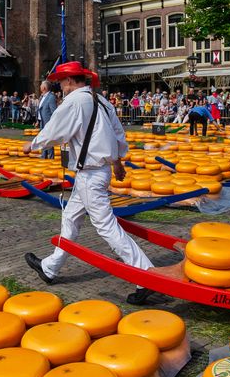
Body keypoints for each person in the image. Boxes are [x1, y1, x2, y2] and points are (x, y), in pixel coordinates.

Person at [22, 61, 156, 305]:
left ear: (71, 80)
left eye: (62, 81)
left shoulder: (75, 101)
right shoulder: (102, 101)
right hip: (97, 170)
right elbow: (118, 135)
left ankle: (146, 276)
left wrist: (33, 145)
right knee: (70, 217)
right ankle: (50, 267)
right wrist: (117, 162)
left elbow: (55, 130)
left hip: (90, 174)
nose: (60, 86)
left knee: (106, 225)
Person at [37, 81, 57, 159]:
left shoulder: (51, 97)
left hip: (48, 122)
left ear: (44, 88)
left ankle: (51, 158)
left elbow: (54, 111)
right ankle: (43, 156)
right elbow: (40, 109)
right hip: (42, 121)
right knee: (43, 140)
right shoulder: (42, 97)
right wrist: (37, 120)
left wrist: (52, 123)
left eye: (41, 85)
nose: (40, 87)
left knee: (48, 141)